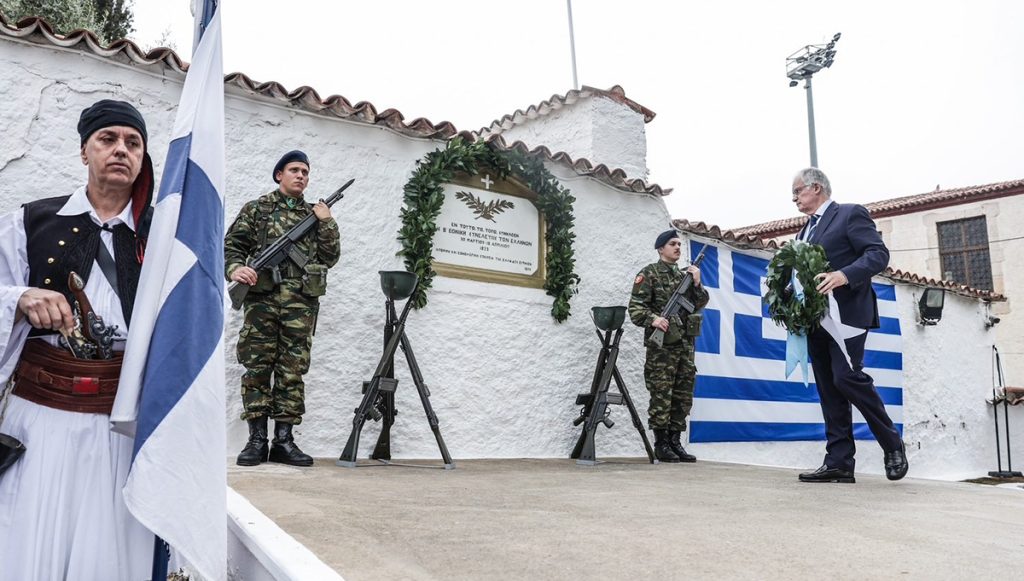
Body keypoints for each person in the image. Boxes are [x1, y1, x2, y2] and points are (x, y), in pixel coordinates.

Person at [0, 99, 155, 580]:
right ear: (84, 151)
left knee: (109, 549)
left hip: (122, 420)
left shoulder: (162, 233)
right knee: (30, 536)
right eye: (108, 139)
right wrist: (20, 297)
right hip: (39, 417)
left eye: (133, 143)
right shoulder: (32, 221)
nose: (120, 150)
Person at [791, 167, 908, 483]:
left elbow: (878, 254)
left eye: (798, 191)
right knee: (829, 389)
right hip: (815, 318)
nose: (794, 198)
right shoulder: (803, 232)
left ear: (816, 187)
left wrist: (844, 275)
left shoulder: (849, 214)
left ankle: (892, 443)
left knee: (846, 379)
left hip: (847, 315)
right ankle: (839, 462)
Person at [225, 150, 340, 467]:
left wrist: (326, 221)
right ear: (279, 175)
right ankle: (257, 440)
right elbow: (232, 245)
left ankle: (284, 441)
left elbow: (330, 257)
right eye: (294, 170)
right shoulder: (258, 209)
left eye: (305, 171)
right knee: (257, 368)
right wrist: (236, 269)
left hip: (300, 305)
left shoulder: (315, 216)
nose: (301, 175)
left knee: (293, 371)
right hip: (261, 302)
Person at [629, 229, 709, 463]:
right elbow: (635, 309)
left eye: (679, 244)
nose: (677, 248)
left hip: (685, 346)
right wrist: (653, 319)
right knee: (662, 394)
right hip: (662, 349)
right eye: (672, 244)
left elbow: (700, 303)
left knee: (682, 395)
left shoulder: (684, 276)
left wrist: (696, 282)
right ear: (660, 249)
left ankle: (675, 442)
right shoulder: (649, 274)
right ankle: (661, 443)